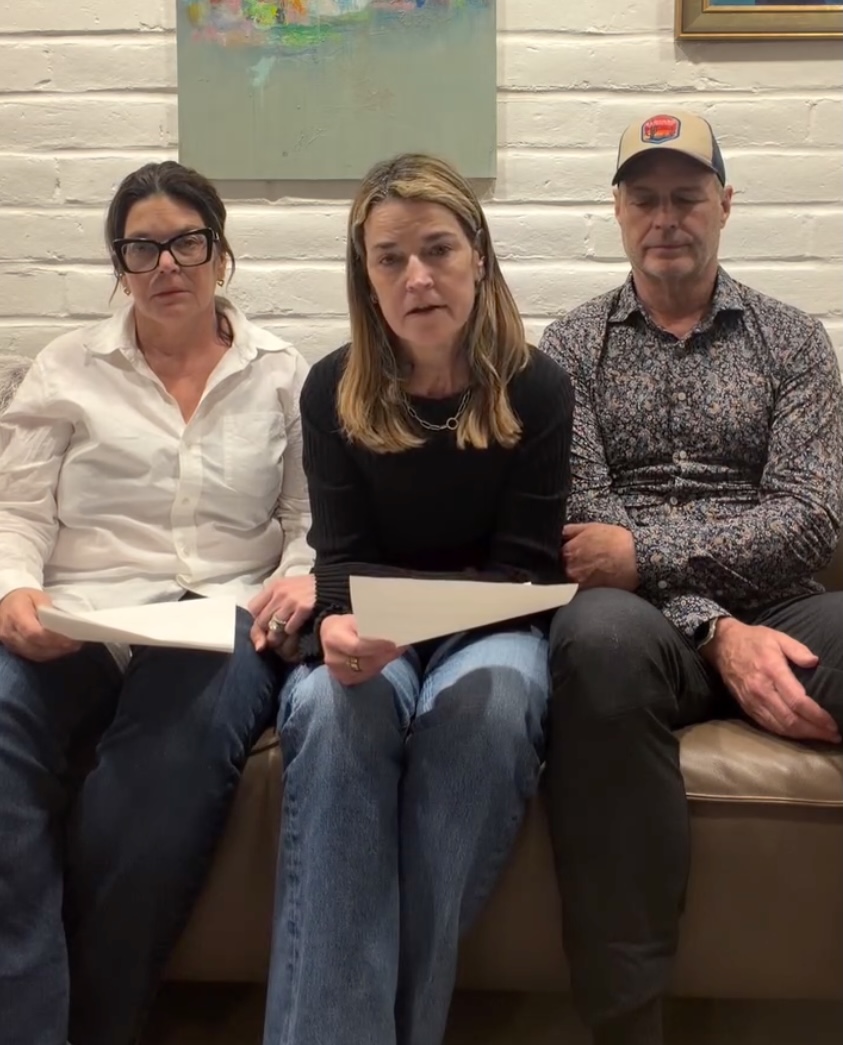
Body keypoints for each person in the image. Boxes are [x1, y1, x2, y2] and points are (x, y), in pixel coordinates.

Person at [539, 111, 843, 1045]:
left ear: (724, 204)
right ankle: (627, 1022)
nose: (664, 217)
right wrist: (715, 625)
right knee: (592, 643)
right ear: (617, 212)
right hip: (634, 622)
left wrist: (669, 568)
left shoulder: (794, 343)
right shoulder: (565, 350)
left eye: (685, 196)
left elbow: (813, 517)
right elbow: (590, 542)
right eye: (644, 198)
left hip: (780, 598)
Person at [261, 152, 574, 1045]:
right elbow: (339, 559)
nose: (418, 276)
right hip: (376, 624)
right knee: (328, 700)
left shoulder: (538, 388)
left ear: (478, 254)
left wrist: (404, 615)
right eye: (390, 258)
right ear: (365, 278)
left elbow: (523, 578)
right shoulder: (333, 389)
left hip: (493, 629)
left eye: (437, 248)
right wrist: (347, 621)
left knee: (494, 699)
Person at [0, 160, 314, 1045]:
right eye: (143, 248)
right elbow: (17, 511)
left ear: (221, 253)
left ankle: (100, 1023)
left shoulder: (283, 373)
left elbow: (308, 521)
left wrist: (293, 581)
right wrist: (14, 590)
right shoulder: (66, 369)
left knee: (154, 777)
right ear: (118, 263)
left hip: (222, 615)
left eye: (186, 242)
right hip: (80, 618)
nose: (166, 264)